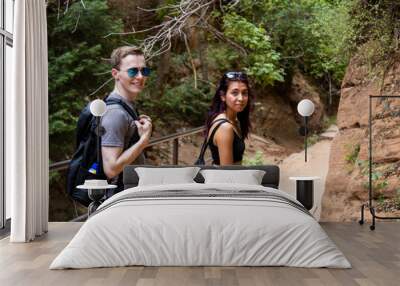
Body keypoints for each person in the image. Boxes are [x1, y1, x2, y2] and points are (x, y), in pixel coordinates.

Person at [101, 46, 152, 196]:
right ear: (115, 74)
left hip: (129, 194)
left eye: (144, 71)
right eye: (132, 71)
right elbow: (111, 169)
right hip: (121, 198)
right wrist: (143, 141)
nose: (140, 76)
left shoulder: (126, 106)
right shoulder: (115, 114)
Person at [204, 71, 252, 165]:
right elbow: (227, 174)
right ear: (223, 96)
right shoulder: (225, 127)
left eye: (244, 93)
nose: (241, 98)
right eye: (235, 93)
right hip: (228, 179)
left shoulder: (234, 120)